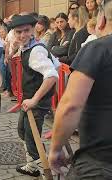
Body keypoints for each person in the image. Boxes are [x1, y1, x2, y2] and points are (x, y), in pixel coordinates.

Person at [49, 1, 112, 179]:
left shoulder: (97, 48)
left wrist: (55, 149)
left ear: (101, 20)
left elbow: (71, 105)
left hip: (99, 162)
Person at [7, 15, 59, 178]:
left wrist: (35, 99)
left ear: (33, 29)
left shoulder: (36, 50)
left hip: (36, 101)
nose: (22, 35)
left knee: (31, 136)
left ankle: (44, 170)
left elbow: (51, 76)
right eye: (18, 32)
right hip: (30, 99)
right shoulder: (28, 46)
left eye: (26, 31)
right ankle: (33, 164)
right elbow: (55, 63)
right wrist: (14, 47)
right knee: (23, 130)